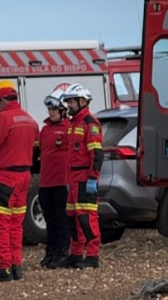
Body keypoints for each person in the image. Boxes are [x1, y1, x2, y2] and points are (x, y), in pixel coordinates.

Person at [0, 80, 39, 282]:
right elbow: (35, 144)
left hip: (6, 175)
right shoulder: (29, 119)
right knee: (16, 222)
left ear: (2, 100)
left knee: (1, 222)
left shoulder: (3, 118)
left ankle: (2, 267)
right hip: (25, 175)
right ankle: (16, 265)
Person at [61, 83, 104, 269]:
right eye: (68, 101)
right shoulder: (72, 125)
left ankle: (93, 256)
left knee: (87, 217)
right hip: (73, 177)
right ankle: (76, 254)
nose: (69, 105)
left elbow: (97, 154)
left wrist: (93, 177)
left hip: (85, 176)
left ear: (82, 101)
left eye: (71, 101)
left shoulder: (90, 124)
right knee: (72, 217)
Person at [38, 87, 71, 269]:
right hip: (46, 182)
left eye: (54, 110)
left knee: (61, 218)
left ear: (63, 111)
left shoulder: (68, 128)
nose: (51, 113)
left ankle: (62, 252)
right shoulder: (45, 130)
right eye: (49, 110)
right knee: (49, 218)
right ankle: (51, 252)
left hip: (61, 182)